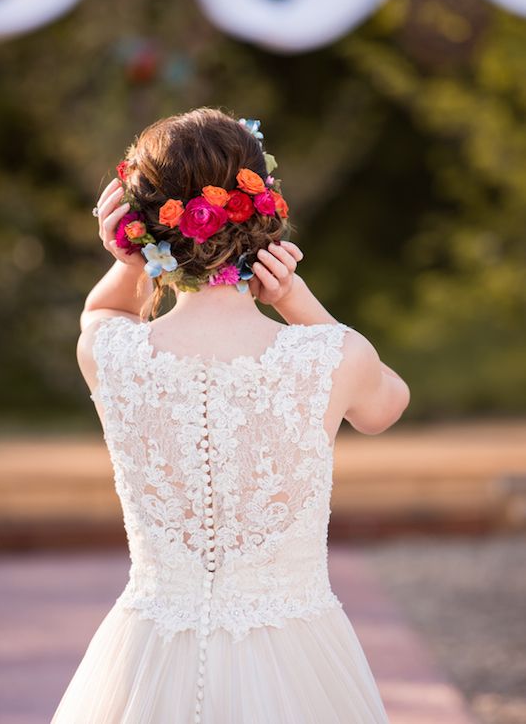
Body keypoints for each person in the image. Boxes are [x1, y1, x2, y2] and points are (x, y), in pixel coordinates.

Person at [51, 107, 410, 723]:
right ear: (267, 216)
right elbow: (384, 407)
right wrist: (298, 300)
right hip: (296, 653)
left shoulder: (109, 353)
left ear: (139, 227)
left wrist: (126, 260)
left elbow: (99, 312)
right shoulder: (331, 354)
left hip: (148, 647)